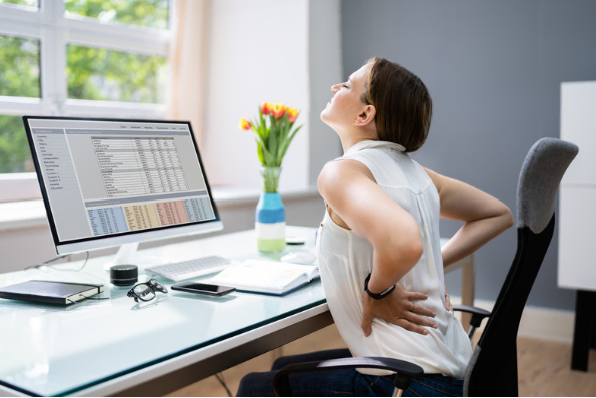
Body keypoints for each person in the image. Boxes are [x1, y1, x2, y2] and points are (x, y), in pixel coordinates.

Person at [236, 57, 514, 398]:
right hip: (460, 376)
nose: (336, 87)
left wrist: (377, 292)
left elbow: (402, 241)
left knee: (253, 388)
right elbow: (498, 214)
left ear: (365, 115)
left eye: (348, 85)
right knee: (280, 369)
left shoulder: (342, 171)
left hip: (408, 384)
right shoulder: (418, 174)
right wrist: (431, 268)